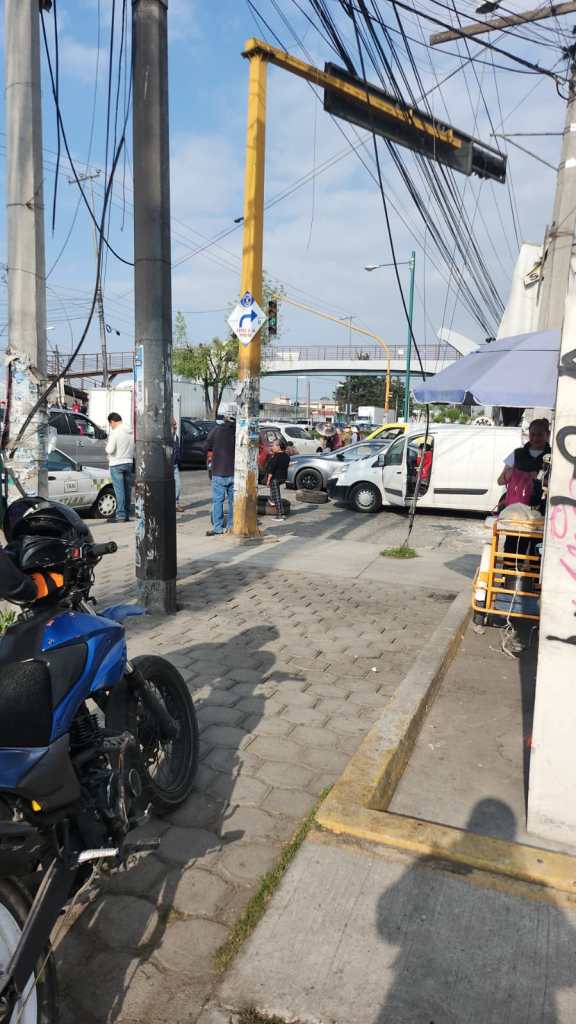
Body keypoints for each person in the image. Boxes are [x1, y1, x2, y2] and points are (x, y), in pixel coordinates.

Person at [497, 418, 551, 511]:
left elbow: (558, 486)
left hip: (541, 507)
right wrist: (509, 475)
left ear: (548, 434)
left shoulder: (553, 456)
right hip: (514, 505)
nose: (535, 438)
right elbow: (500, 481)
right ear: (528, 433)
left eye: (540, 435)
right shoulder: (517, 453)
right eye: (532, 434)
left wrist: (539, 479)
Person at [205, 404, 236, 536]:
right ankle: (231, 526)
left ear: (224, 417)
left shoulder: (216, 431)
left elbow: (205, 447)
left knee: (217, 501)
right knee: (232, 501)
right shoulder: (237, 431)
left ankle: (217, 527)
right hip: (234, 472)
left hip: (218, 471)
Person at [105, 412, 135, 523]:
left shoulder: (115, 432)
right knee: (127, 490)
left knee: (119, 491)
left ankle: (120, 515)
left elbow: (110, 449)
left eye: (110, 424)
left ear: (112, 421)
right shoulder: (130, 431)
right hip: (129, 462)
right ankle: (126, 513)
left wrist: (107, 445)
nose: (110, 426)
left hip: (116, 463)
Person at [266, 438, 291, 521]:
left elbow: (271, 469)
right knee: (275, 493)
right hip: (283, 478)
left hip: (275, 478)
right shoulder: (286, 456)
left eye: (273, 445)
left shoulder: (276, 457)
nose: (272, 447)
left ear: (279, 446)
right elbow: (286, 465)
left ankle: (280, 515)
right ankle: (272, 500)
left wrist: (268, 480)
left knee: (277, 496)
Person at [172, 417, 182, 512]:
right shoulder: (167, 438)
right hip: (167, 465)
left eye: (175, 424)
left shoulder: (176, 437)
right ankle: (172, 504)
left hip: (174, 465)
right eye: (173, 424)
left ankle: (176, 503)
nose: (175, 426)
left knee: (178, 486)